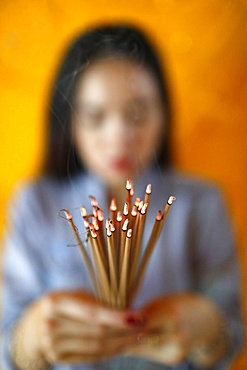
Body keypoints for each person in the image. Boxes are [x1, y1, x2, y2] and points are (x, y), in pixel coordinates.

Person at [1, 23, 243, 370]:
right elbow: (5, 344)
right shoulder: (34, 202)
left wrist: (208, 329)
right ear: (70, 122)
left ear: (164, 113)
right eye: (96, 116)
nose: (120, 136)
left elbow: (231, 333)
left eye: (138, 112)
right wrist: (33, 338)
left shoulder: (202, 202)